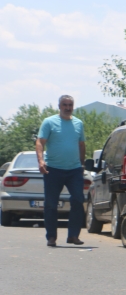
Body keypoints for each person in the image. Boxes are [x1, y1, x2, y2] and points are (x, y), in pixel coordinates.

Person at [35, 95, 86, 247]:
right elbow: (40, 142)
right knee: (51, 203)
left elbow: (81, 144)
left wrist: (82, 164)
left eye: (70, 105)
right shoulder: (49, 122)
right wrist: (41, 160)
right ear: (59, 106)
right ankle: (51, 237)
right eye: (64, 105)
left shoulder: (78, 123)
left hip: (74, 170)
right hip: (53, 169)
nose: (67, 108)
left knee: (78, 200)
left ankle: (73, 236)